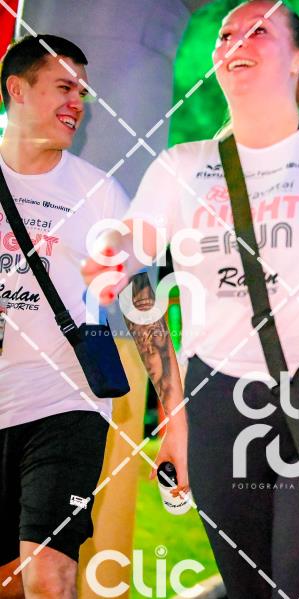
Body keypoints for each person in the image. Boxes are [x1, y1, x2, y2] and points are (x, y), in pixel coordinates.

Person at [81, 2, 299, 597]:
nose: (236, 41)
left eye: (258, 31)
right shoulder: (181, 167)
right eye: (226, 33)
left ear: (298, 59)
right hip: (220, 404)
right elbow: (132, 241)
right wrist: (111, 251)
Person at [0, 36, 131, 598]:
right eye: (63, 87)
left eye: (81, 92)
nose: (76, 102)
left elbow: (142, 302)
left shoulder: (98, 193)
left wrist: (174, 415)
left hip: (66, 399)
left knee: (49, 576)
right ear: (17, 89)